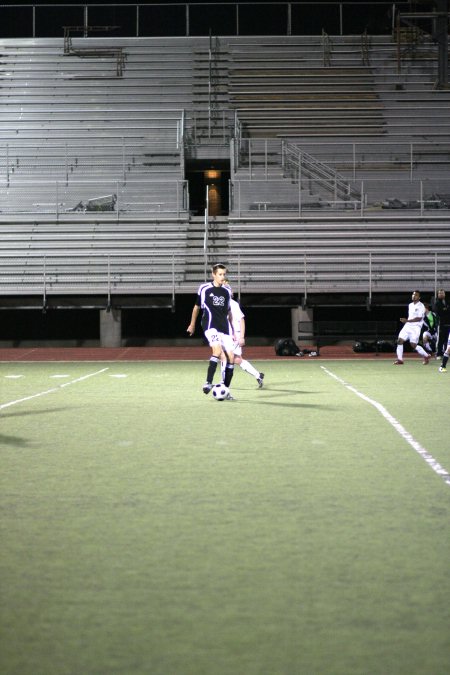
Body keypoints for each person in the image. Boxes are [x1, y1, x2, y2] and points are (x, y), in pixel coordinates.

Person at [186, 263, 235, 397]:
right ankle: (208, 382)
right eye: (220, 274)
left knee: (231, 357)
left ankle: (226, 389)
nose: (222, 277)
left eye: (224, 274)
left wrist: (233, 330)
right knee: (217, 351)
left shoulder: (226, 291)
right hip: (210, 325)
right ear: (213, 275)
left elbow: (229, 312)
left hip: (224, 326)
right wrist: (192, 324)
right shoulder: (204, 288)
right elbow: (196, 307)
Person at [220, 284, 265, 388]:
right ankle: (258, 375)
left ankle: (223, 382)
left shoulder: (233, 304)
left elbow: (241, 320)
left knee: (224, 357)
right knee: (237, 359)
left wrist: (241, 336)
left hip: (234, 335)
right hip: (228, 335)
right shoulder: (223, 304)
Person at [394, 290, 430, 365]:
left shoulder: (421, 306)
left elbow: (419, 318)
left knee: (413, 345)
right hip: (408, 326)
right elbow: (411, 317)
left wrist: (407, 320)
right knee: (399, 341)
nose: (414, 296)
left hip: (416, 327)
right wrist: (407, 321)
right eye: (413, 294)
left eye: (416, 295)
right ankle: (400, 360)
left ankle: (426, 356)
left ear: (419, 297)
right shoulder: (410, 305)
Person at [432, 288, 450, 357]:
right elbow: (439, 312)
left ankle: (446, 353)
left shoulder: (447, 301)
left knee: (447, 339)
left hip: (448, 323)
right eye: (440, 293)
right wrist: (446, 309)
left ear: (444, 294)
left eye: (442, 293)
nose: (441, 294)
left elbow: (446, 310)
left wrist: (445, 309)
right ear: (438, 294)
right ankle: (439, 353)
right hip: (441, 324)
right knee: (440, 340)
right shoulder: (437, 303)